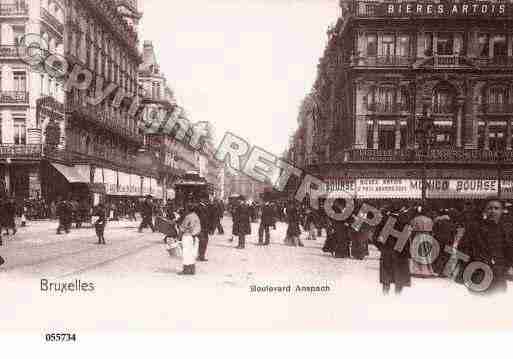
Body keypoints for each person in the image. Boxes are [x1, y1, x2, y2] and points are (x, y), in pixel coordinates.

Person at [458, 198, 513, 295]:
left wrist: (506, 267)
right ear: (485, 211)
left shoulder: (506, 230)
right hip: (478, 274)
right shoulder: (474, 228)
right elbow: (462, 249)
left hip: (498, 275)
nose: (493, 211)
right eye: (490, 208)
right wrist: (468, 266)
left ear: (501, 211)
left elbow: (509, 251)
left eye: (496, 208)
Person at [374, 207, 412, 295]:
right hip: (400, 252)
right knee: (399, 275)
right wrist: (407, 253)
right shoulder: (404, 221)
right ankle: (397, 296)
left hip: (387, 251)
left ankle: (385, 295)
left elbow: (375, 238)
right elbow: (406, 240)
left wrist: (381, 248)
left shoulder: (385, 222)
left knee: (386, 275)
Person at [177, 200, 201, 275]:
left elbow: (182, 228)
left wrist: (179, 238)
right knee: (192, 253)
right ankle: (192, 270)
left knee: (186, 253)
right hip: (195, 237)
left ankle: (186, 270)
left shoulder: (188, 217)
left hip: (187, 237)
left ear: (188, 209)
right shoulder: (196, 216)